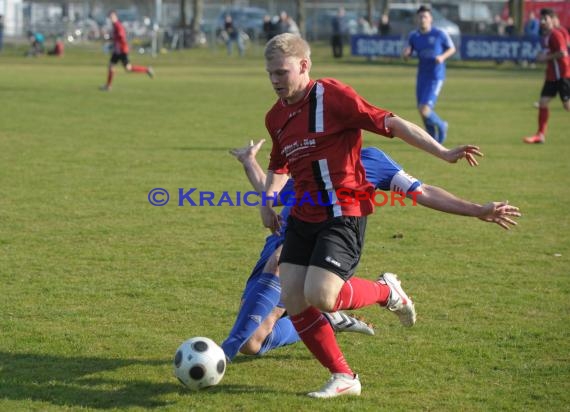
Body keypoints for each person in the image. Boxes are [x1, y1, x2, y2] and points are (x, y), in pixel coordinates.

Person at [260, 33, 482, 398]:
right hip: (302, 216)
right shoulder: (275, 116)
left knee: (322, 296)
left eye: (281, 71)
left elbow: (392, 124)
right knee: (294, 299)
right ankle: (344, 376)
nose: (275, 80)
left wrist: (442, 152)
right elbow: (278, 163)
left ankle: (385, 291)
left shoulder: (332, 97)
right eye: (269, 73)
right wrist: (267, 201)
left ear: (304, 66)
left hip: (342, 212)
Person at [222, 139, 520, 362]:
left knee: (278, 267)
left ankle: (382, 292)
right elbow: (273, 189)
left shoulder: (372, 160)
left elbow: (423, 191)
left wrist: (476, 210)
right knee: (253, 343)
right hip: (281, 242)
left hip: (306, 250)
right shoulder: (307, 155)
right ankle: (325, 319)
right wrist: (250, 162)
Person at [402, 5, 456, 144]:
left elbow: (452, 48)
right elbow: (408, 50)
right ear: (417, 19)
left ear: (431, 18)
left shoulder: (439, 33)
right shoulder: (414, 35)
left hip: (435, 76)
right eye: (420, 17)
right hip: (422, 76)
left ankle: (442, 125)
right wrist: (406, 54)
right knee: (421, 111)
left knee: (425, 109)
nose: (422, 19)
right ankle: (431, 138)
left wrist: (442, 57)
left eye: (425, 16)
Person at [523, 8, 570, 144]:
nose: (542, 22)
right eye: (541, 19)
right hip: (552, 77)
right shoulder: (547, 36)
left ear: (552, 20)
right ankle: (540, 135)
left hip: (562, 75)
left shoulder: (555, 34)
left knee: (567, 106)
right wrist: (542, 56)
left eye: (545, 19)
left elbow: (563, 53)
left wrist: (545, 57)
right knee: (543, 102)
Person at [100, 10, 154, 91]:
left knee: (128, 68)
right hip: (117, 51)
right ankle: (108, 86)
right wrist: (109, 38)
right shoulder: (114, 26)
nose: (111, 18)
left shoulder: (118, 25)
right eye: (110, 17)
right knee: (111, 66)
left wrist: (119, 39)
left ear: (116, 17)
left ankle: (147, 70)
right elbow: (116, 38)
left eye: (112, 17)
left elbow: (121, 36)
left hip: (122, 50)